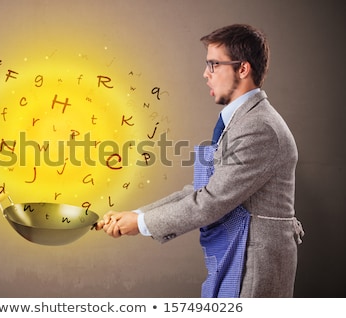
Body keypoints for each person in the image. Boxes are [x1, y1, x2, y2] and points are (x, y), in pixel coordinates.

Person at [95, 24, 304, 297]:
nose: (206, 74)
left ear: (243, 69)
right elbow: (201, 191)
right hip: (235, 254)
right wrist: (138, 215)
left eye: (214, 65)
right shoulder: (241, 121)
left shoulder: (258, 128)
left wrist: (141, 225)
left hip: (253, 267)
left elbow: (210, 201)